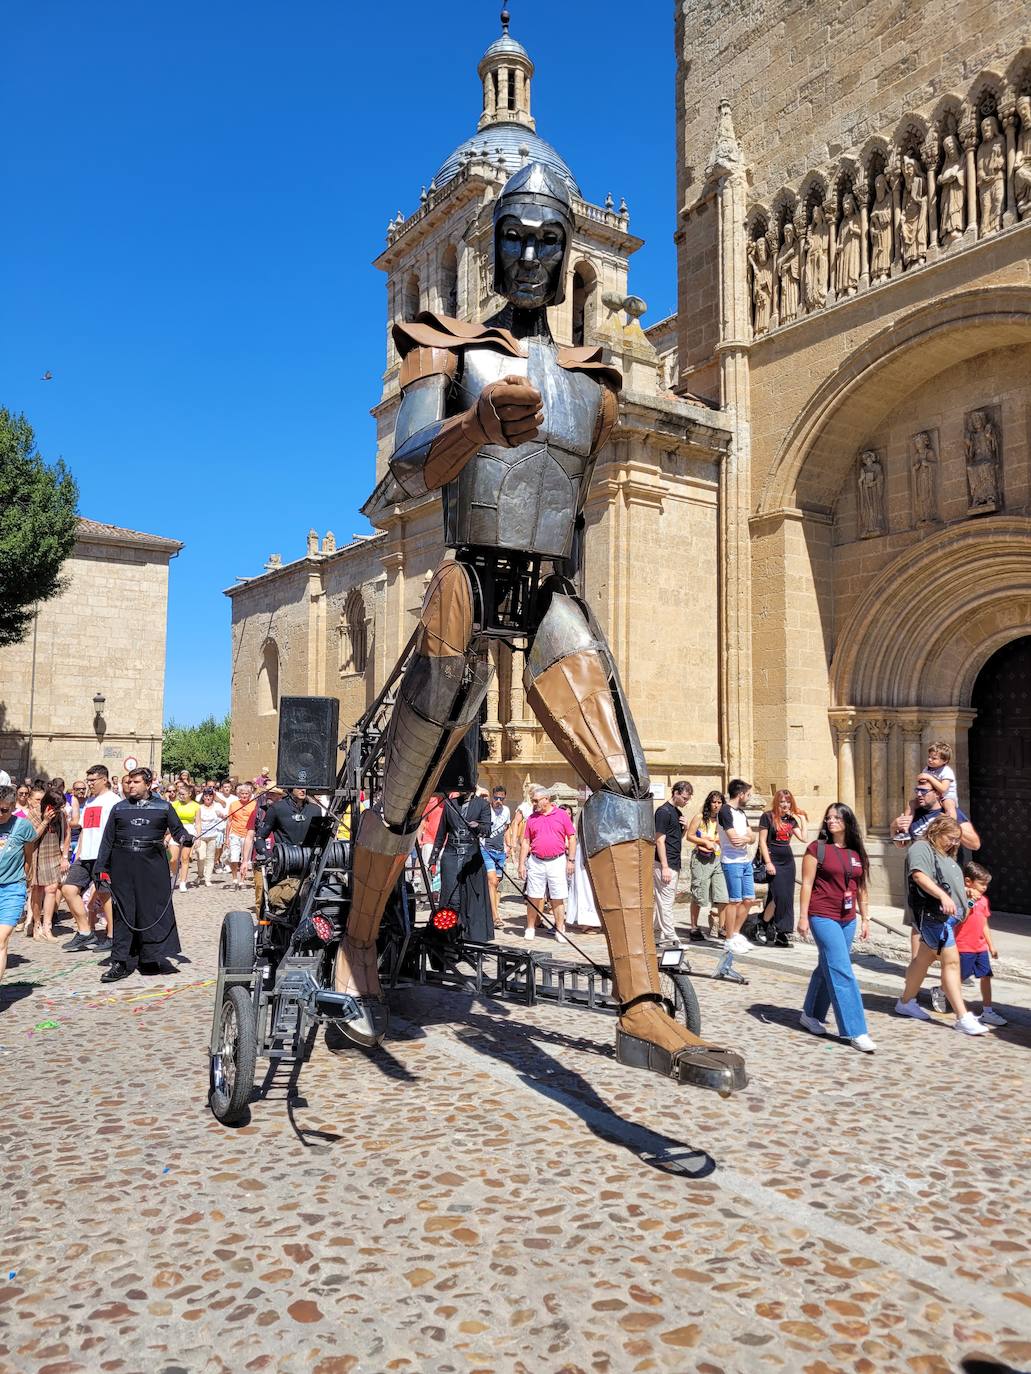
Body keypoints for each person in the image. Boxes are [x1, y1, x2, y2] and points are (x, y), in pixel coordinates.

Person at [94, 767, 193, 983]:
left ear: (148, 784)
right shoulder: (119, 808)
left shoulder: (164, 807)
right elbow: (107, 839)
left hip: (152, 865)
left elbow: (178, 831)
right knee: (123, 912)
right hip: (123, 864)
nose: (130, 785)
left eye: (136, 782)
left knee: (151, 911)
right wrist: (101, 867)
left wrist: (186, 837)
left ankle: (149, 958)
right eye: (129, 782)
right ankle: (119, 962)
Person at [894, 816, 988, 1036]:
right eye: (951, 838)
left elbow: (944, 880)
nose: (954, 843)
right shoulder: (921, 848)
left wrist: (963, 893)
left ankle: (906, 1002)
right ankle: (962, 1017)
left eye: (957, 839)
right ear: (936, 831)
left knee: (923, 959)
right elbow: (919, 876)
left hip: (946, 917)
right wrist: (943, 897)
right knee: (952, 962)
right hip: (933, 915)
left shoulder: (943, 854)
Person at [797, 803, 876, 1053]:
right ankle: (856, 1030)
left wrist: (866, 918)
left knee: (827, 965)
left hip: (848, 917)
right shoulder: (817, 849)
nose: (831, 821)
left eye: (837, 817)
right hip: (822, 915)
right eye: (828, 817)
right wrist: (802, 917)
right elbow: (807, 884)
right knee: (841, 969)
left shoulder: (856, 852)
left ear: (847, 821)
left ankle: (810, 1014)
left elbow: (860, 887)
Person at [62, 764, 118, 952]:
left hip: (102, 855)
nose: (89, 784)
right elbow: (85, 828)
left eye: (93, 780)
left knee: (104, 893)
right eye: (88, 780)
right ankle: (85, 932)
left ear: (104, 779)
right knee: (68, 889)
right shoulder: (90, 801)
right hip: (85, 853)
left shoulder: (113, 801)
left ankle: (112, 935)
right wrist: (78, 852)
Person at [430, 790, 493, 942]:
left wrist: (477, 826)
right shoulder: (450, 804)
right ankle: (449, 936)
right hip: (451, 855)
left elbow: (487, 830)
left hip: (472, 856)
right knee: (453, 899)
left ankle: (471, 938)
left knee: (471, 900)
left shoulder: (482, 804)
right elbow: (441, 832)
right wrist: (434, 856)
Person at [518, 786, 576, 941]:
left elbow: (571, 837)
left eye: (536, 801)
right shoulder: (532, 818)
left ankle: (560, 928)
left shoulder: (562, 815)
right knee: (533, 896)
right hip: (536, 860)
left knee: (558, 896)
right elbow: (526, 842)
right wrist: (521, 863)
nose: (534, 804)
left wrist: (571, 860)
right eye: (533, 801)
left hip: (556, 860)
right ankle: (530, 927)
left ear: (546, 799)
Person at [756, 788, 806, 947]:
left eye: (788, 801)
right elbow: (762, 841)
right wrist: (768, 862)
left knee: (785, 897)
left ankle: (781, 932)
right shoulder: (767, 817)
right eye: (782, 801)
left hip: (787, 861)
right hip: (774, 859)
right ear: (777, 802)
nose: (785, 804)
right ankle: (763, 924)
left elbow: (804, 838)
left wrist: (802, 819)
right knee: (778, 895)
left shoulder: (791, 820)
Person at [0, 785, 39, 982]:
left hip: (12, 888)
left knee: (0, 939)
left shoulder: (22, 826)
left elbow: (28, 857)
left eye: (4, 810)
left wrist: (26, 879)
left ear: (12, 806)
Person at [717, 779, 757, 954]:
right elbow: (734, 840)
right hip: (731, 862)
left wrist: (746, 839)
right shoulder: (725, 811)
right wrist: (745, 839)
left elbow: (752, 837)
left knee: (749, 899)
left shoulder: (741, 813)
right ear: (740, 794)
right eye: (748, 794)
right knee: (734, 901)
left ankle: (736, 933)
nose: (749, 798)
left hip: (745, 861)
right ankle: (728, 938)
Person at [653, 781, 693, 947]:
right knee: (666, 902)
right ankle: (671, 938)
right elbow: (660, 841)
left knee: (664, 901)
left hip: (673, 862)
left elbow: (675, 839)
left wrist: (684, 828)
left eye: (688, 799)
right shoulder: (663, 812)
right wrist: (664, 867)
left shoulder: (676, 812)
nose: (686, 801)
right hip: (665, 864)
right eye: (684, 798)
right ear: (675, 793)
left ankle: (655, 936)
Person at [686, 790, 728, 941]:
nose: (716, 805)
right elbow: (689, 836)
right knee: (699, 894)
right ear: (709, 803)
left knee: (723, 895)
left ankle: (722, 927)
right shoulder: (700, 818)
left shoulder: (724, 819)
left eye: (719, 802)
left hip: (719, 858)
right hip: (702, 858)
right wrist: (705, 841)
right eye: (714, 802)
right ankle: (694, 927)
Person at [28, 787, 67, 941]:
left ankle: (47, 926)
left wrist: (64, 856)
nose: (58, 810)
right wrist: (45, 821)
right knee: (37, 891)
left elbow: (65, 834)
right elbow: (31, 837)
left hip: (53, 853)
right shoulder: (34, 813)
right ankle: (36, 925)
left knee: (51, 889)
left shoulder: (61, 814)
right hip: (37, 853)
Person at [480, 785, 511, 926]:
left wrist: (509, 846)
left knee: (496, 883)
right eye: (496, 798)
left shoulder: (506, 811)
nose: (498, 801)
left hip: (500, 851)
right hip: (486, 848)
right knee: (492, 881)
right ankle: (495, 916)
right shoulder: (486, 809)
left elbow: (507, 829)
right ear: (492, 797)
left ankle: (491, 910)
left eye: (501, 798)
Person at [224, 782, 256, 889]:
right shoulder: (234, 804)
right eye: (242, 793)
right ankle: (234, 879)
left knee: (245, 859)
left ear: (250, 794)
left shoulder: (254, 804)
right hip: (235, 833)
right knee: (234, 858)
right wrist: (227, 837)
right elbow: (229, 822)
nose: (244, 795)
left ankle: (242, 880)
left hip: (248, 835)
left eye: (246, 793)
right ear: (238, 794)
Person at [194, 787, 227, 887]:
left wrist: (221, 815)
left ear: (213, 797)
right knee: (201, 856)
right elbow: (195, 821)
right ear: (203, 797)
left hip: (213, 835)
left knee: (210, 857)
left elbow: (225, 817)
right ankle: (200, 875)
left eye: (210, 796)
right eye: (206, 796)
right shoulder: (199, 807)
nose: (208, 798)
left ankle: (208, 878)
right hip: (201, 836)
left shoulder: (217, 806)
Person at [170, 782, 200, 891]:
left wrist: (198, 837)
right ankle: (175, 874)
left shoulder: (196, 806)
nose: (181, 796)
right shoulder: (174, 805)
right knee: (173, 859)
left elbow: (197, 823)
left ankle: (183, 881)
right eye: (180, 794)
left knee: (185, 858)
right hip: (176, 830)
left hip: (189, 830)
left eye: (183, 794)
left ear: (189, 794)